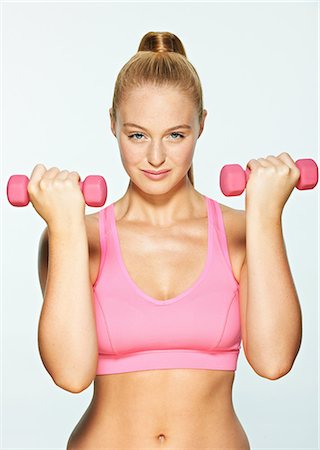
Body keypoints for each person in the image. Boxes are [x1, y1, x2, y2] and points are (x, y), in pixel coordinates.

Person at [33, 31, 302, 449]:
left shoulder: (241, 235)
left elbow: (273, 360)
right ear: (113, 125)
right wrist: (66, 226)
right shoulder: (74, 237)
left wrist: (265, 214)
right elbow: (70, 374)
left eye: (176, 135)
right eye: (138, 135)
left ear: (201, 125)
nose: (156, 158)